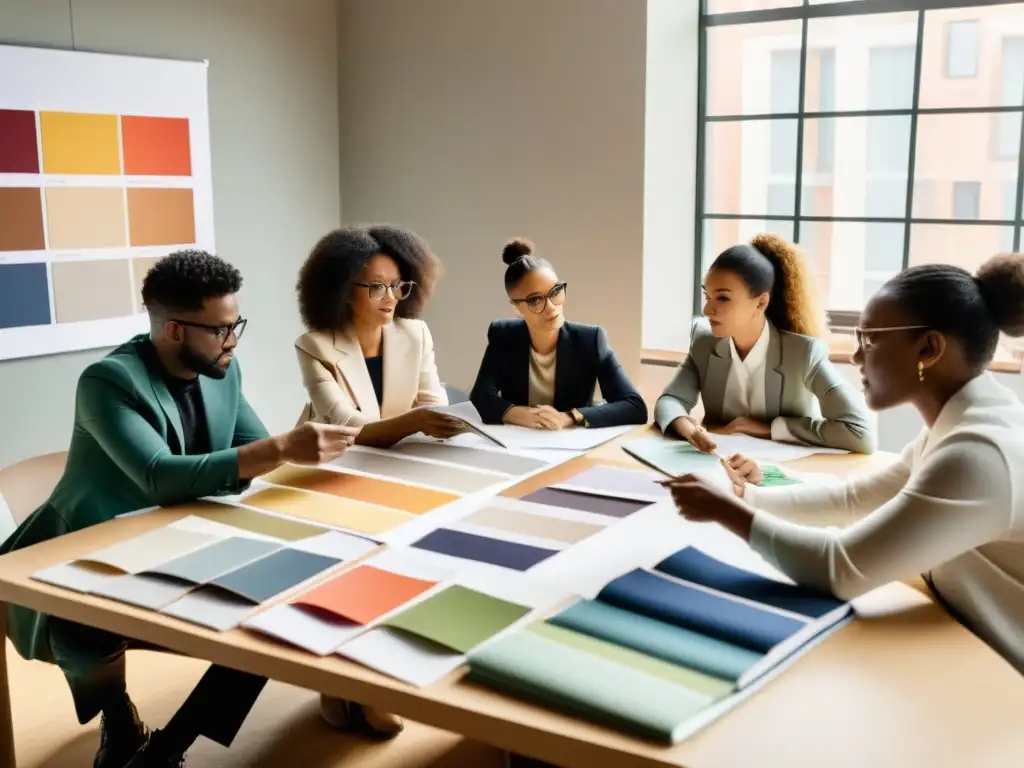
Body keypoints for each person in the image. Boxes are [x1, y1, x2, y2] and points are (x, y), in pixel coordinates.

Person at [0, 250, 361, 767]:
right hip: (87, 553)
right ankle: (119, 718)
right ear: (172, 330)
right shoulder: (108, 383)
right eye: (219, 329)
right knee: (86, 629)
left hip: (182, 539)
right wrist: (281, 449)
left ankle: (171, 746)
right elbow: (158, 473)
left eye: (236, 323)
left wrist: (298, 451)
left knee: (276, 622)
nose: (233, 339)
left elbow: (253, 453)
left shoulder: (222, 371)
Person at [663, 254, 1024, 675]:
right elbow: (856, 498)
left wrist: (728, 511)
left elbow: (841, 569)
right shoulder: (961, 424)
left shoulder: (976, 454)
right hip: (960, 641)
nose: (855, 357)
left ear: (929, 347)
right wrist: (749, 495)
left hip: (1000, 676)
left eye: (869, 339)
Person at [655, 233, 874, 454]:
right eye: (707, 297)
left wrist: (770, 428)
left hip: (785, 473)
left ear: (761, 302)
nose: (707, 310)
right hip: (719, 465)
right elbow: (671, 400)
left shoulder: (803, 353)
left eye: (722, 298)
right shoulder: (704, 341)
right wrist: (690, 430)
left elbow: (859, 432)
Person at [295, 225, 466, 449]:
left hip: (394, 458)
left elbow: (434, 405)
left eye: (396, 285)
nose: (390, 297)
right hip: (331, 458)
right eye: (377, 287)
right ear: (344, 291)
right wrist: (415, 421)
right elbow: (347, 427)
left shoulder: (416, 334)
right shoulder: (315, 347)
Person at [470, 237, 647, 429]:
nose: (551, 307)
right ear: (516, 307)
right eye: (536, 300)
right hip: (517, 441)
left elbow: (634, 406)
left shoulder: (591, 339)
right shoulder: (503, 334)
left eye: (555, 292)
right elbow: (481, 395)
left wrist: (570, 417)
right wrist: (519, 414)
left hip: (570, 445)